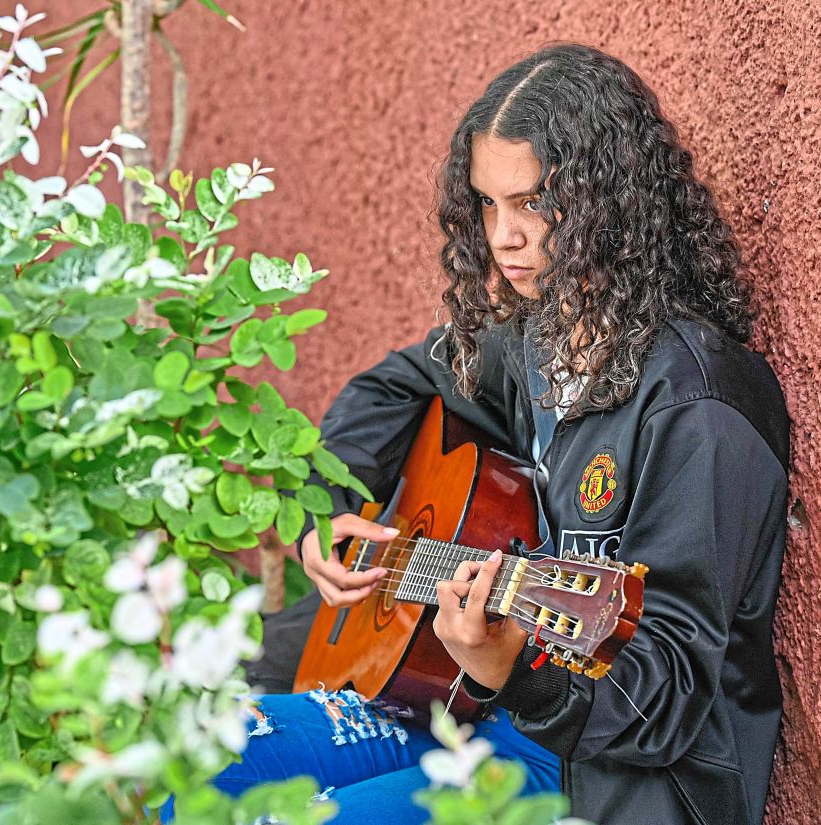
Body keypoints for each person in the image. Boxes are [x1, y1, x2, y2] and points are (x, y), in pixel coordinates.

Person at [213, 43, 791, 825]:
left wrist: (514, 672)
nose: (503, 237)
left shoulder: (699, 407)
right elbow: (397, 384)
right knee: (199, 753)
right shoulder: (539, 340)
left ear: (608, 200)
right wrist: (330, 501)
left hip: (606, 777)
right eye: (487, 204)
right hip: (471, 701)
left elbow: (673, 690)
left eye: (531, 203)